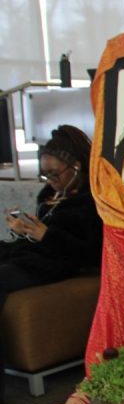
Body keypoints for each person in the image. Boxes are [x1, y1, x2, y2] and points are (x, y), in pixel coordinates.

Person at [1, 125, 103, 316]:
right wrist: (23, 229)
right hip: (35, 254)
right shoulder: (49, 195)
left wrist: (47, 236)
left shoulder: (92, 201)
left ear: (76, 167)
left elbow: (91, 252)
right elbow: (40, 233)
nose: (49, 180)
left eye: (53, 174)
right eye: (45, 175)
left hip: (57, 263)